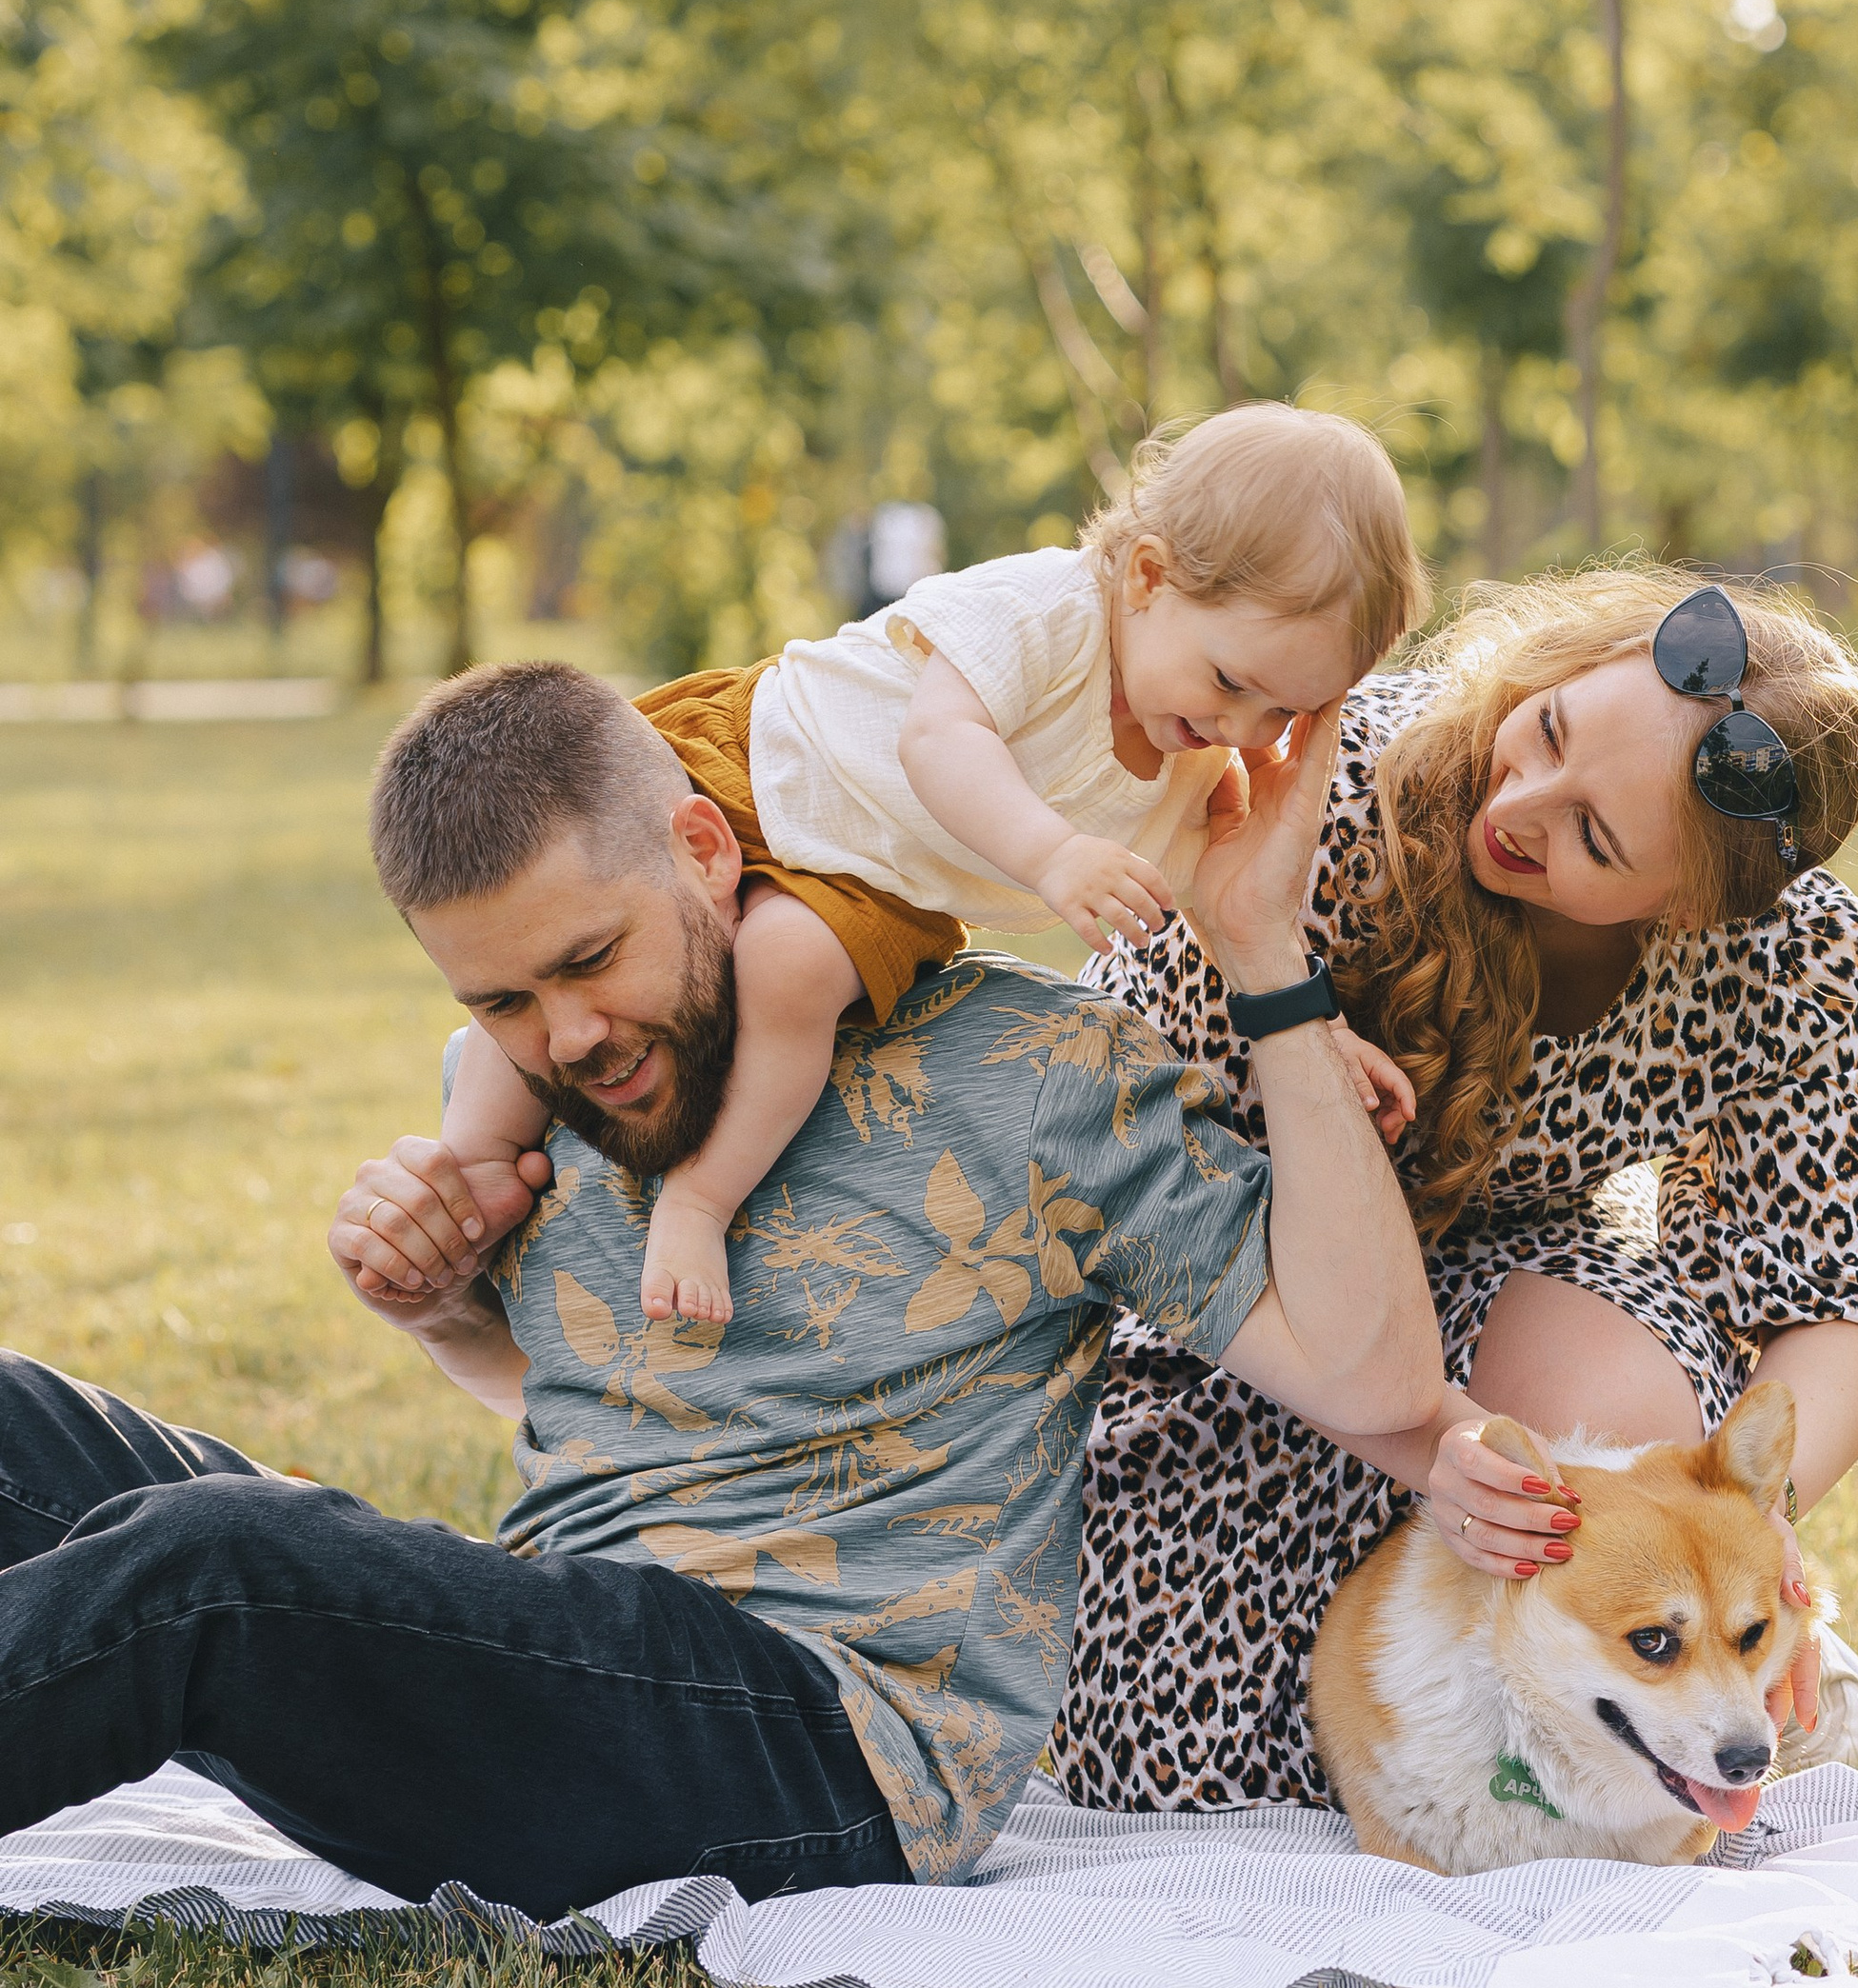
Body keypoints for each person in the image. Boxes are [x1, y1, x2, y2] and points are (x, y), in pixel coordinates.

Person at [0, 662, 1444, 1912]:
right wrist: (437, 1301)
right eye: (500, 1000)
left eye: (590, 959)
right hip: (579, 1636)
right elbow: (609, 1404)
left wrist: (1266, 961)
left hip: (822, 1742)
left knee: (214, 1564)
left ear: (702, 847)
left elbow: (1372, 1373)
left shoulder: (1033, 1077)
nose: (567, 1034)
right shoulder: (536, 1087)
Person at [1049, 568, 1858, 1814]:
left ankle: (1669, 1654)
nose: (1522, 803)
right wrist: (1423, 1440)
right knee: (1179, 1756)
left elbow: (1848, 1274)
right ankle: (1596, 1687)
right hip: (1237, 1321)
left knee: (1613, 1396)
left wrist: (1753, 1526)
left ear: (1685, 909)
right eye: (1552, 728)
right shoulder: (1319, 787)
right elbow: (1130, 1180)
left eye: (1596, 839)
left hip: (1511, 1313)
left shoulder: (1774, 955)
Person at [438, 409, 1429, 1331]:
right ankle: (478, 1160)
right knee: (556, 936)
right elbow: (938, 737)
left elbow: (1214, 916)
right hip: (767, 755)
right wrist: (1050, 852)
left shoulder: (1192, 767)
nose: (1241, 727)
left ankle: (700, 1197)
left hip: (871, 887)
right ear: (1146, 578)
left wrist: (1321, 1029)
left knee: (789, 972)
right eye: (1229, 682)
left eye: (1283, 714)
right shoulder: (1049, 611)